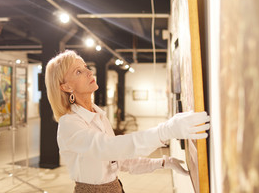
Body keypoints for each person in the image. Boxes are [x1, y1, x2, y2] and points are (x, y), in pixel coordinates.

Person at [45, 50, 210, 193]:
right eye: (78, 72)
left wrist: (162, 162)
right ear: (66, 87)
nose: (89, 72)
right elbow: (108, 148)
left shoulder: (98, 115)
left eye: (86, 67)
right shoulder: (70, 123)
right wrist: (164, 131)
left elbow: (120, 160)